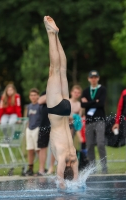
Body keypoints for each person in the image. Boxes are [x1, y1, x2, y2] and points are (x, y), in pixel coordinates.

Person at [44, 16, 78, 183]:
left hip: (66, 109)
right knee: (54, 70)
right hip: (56, 112)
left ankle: (56, 35)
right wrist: (62, 188)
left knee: (62, 69)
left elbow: (76, 179)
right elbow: (60, 178)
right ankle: (51, 34)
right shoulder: (64, 156)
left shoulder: (74, 156)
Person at [81, 70, 107, 173]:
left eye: (95, 77)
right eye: (92, 77)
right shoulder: (86, 90)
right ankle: (92, 168)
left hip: (99, 119)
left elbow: (101, 104)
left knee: (100, 143)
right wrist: (94, 101)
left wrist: (89, 103)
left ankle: (104, 167)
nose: (93, 79)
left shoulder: (102, 89)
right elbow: (83, 105)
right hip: (89, 120)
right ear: (89, 79)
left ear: (98, 78)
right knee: (89, 144)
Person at [25, 88, 42, 176]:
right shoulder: (29, 106)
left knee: (38, 150)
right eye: (31, 95)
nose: (33, 97)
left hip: (37, 128)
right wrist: (27, 127)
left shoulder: (40, 106)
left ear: (38, 96)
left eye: (35, 95)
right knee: (30, 149)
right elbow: (28, 118)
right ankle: (30, 168)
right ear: (29, 96)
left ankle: (41, 168)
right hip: (29, 128)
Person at [38, 91, 51, 175]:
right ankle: (41, 169)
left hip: (54, 125)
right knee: (42, 147)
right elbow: (40, 101)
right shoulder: (45, 92)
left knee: (55, 148)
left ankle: (51, 168)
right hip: (43, 124)